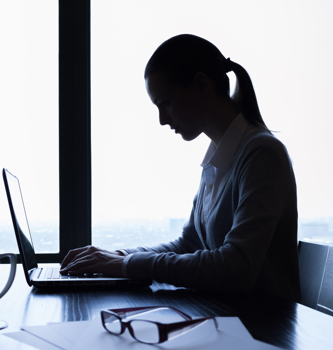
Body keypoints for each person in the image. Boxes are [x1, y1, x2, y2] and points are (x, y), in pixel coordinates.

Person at [60, 34, 301, 302]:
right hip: (228, 319)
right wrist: (121, 257)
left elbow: (237, 267)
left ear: (200, 85)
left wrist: (127, 266)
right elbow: (189, 245)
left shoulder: (262, 154)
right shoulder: (218, 160)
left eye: (165, 103)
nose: (163, 120)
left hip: (264, 329)